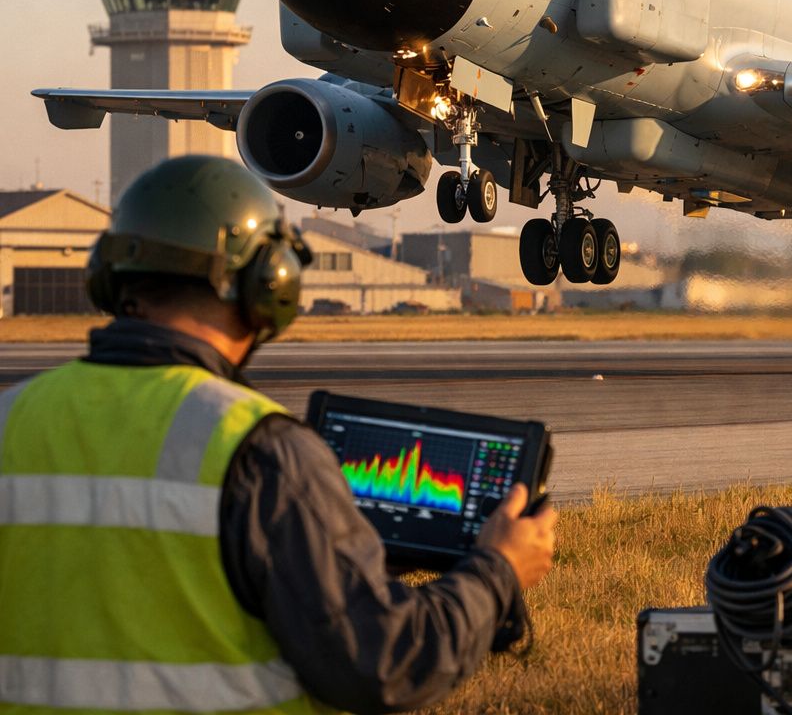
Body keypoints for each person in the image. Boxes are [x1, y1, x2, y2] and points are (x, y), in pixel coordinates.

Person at [0, 156, 557, 713]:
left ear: (107, 274)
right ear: (270, 284)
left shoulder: (12, 416)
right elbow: (383, 663)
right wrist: (497, 573)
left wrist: (345, 561)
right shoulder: (261, 451)